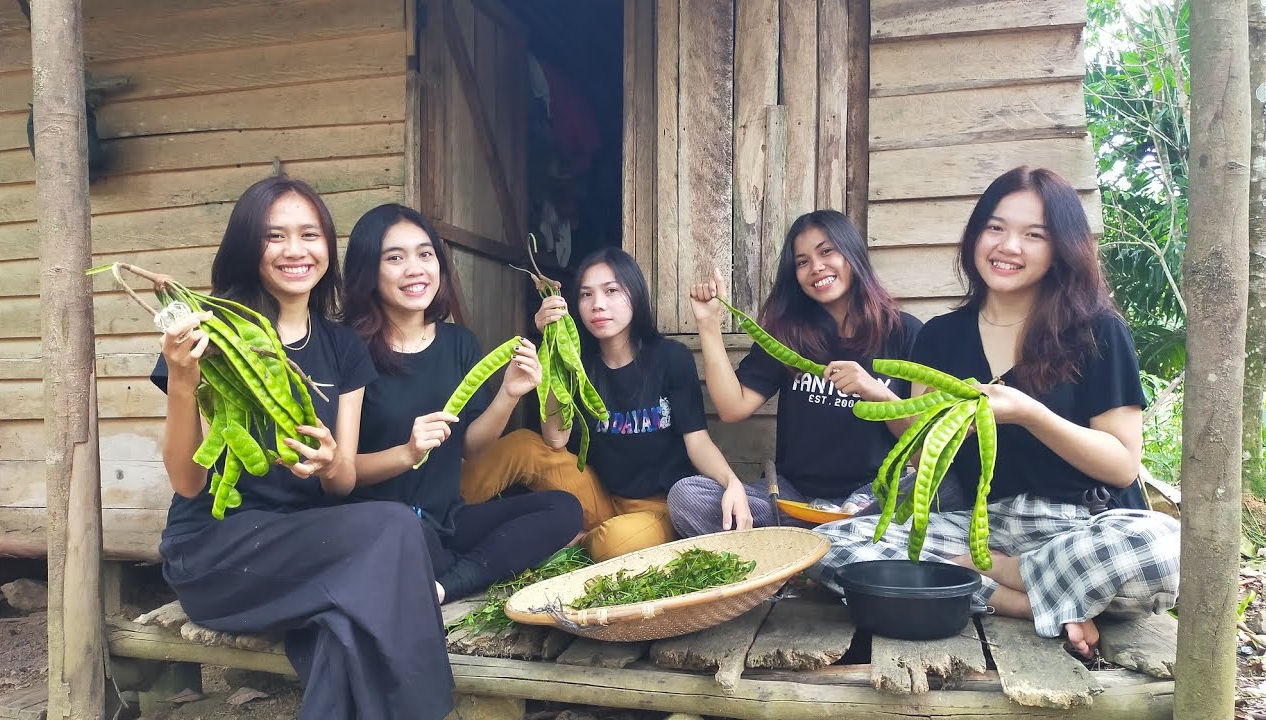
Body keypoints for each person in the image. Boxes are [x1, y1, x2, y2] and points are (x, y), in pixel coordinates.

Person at [809, 167, 1181, 658]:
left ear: (1061, 249)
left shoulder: (1095, 331)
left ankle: (992, 577)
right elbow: (925, 449)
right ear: (975, 235)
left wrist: (1032, 414)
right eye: (996, 228)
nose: (1009, 246)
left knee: (1163, 548)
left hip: (1078, 525)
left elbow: (1121, 464)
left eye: (1034, 235)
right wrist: (879, 398)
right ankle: (1029, 602)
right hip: (981, 525)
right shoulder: (942, 336)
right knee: (826, 548)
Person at [153, 177, 453, 719]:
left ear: (328, 247)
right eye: (275, 236)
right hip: (216, 554)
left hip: (305, 548)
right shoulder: (213, 333)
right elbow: (187, 482)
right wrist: (180, 379)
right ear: (249, 247)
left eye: (310, 235)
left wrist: (328, 460)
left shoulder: (342, 347)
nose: (296, 251)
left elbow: (341, 483)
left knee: (342, 626)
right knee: (394, 530)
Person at [341, 203, 582, 602]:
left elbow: (470, 446)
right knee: (414, 539)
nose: (415, 269)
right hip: (381, 522)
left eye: (425, 254)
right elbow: (340, 472)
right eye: (395, 258)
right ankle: (460, 573)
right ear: (369, 271)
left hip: (446, 518)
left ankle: (442, 586)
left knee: (563, 510)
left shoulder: (459, 344)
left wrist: (508, 394)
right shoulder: (348, 348)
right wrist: (407, 451)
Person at [459, 247, 747, 561]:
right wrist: (553, 345)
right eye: (586, 294)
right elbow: (556, 439)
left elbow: (698, 441)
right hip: (595, 494)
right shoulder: (578, 361)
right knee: (523, 445)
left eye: (611, 291)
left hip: (656, 509)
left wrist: (731, 482)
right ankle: (442, 516)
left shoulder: (670, 358)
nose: (598, 304)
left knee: (617, 543)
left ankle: (568, 538)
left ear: (634, 295)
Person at [667, 210, 924, 537]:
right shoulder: (788, 335)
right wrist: (708, 325)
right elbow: (733, 408)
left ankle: (799, 556)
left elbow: (920, 445)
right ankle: (823, 551)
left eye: (827, 251)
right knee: (688, 496)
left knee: (925, 497)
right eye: (802, 262)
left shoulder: (904, 333)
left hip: (871, 500)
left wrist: (877, 393)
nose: (816, 267)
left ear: (852, 253)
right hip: (795, 501)